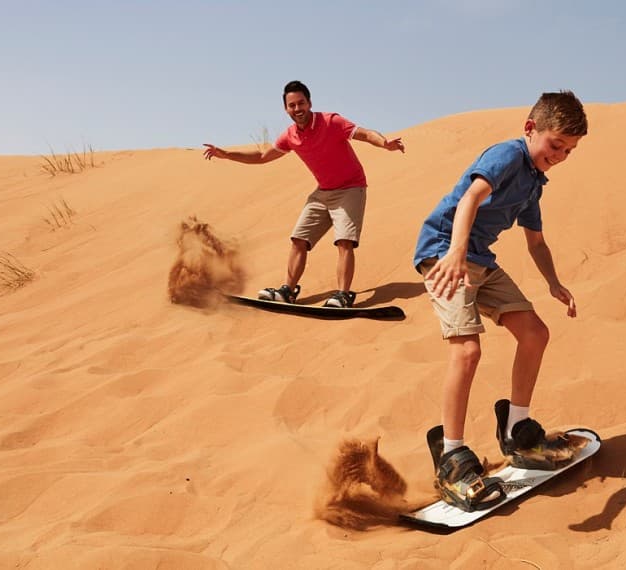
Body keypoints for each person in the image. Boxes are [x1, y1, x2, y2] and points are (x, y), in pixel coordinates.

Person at [412, 91, 589, 511]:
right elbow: (471, 198)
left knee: (535, 333)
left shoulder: (534, 183)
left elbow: (536, 242)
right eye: (556, 145)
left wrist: (553, 282)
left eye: (569, 150)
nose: (560, 156)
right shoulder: (508, 155)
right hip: (444, 254)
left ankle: (516, 430)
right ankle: (452, 457)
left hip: (479, 261)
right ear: (530, 129)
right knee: (467, 351)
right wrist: (456, 252)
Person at [203, 80, 405, 308]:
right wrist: (227, 154)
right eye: (292, 105)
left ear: (309, 103)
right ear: (286, 109)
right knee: (299, 239)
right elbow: (262, 156)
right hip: (323, 191)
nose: (297, 109)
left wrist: (384, 143)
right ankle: (287, 291)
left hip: (350, 188)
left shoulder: (331, 121)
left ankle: (343, 295)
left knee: (344, 241)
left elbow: (365, 134)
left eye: (301, 103)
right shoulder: (290, 135)